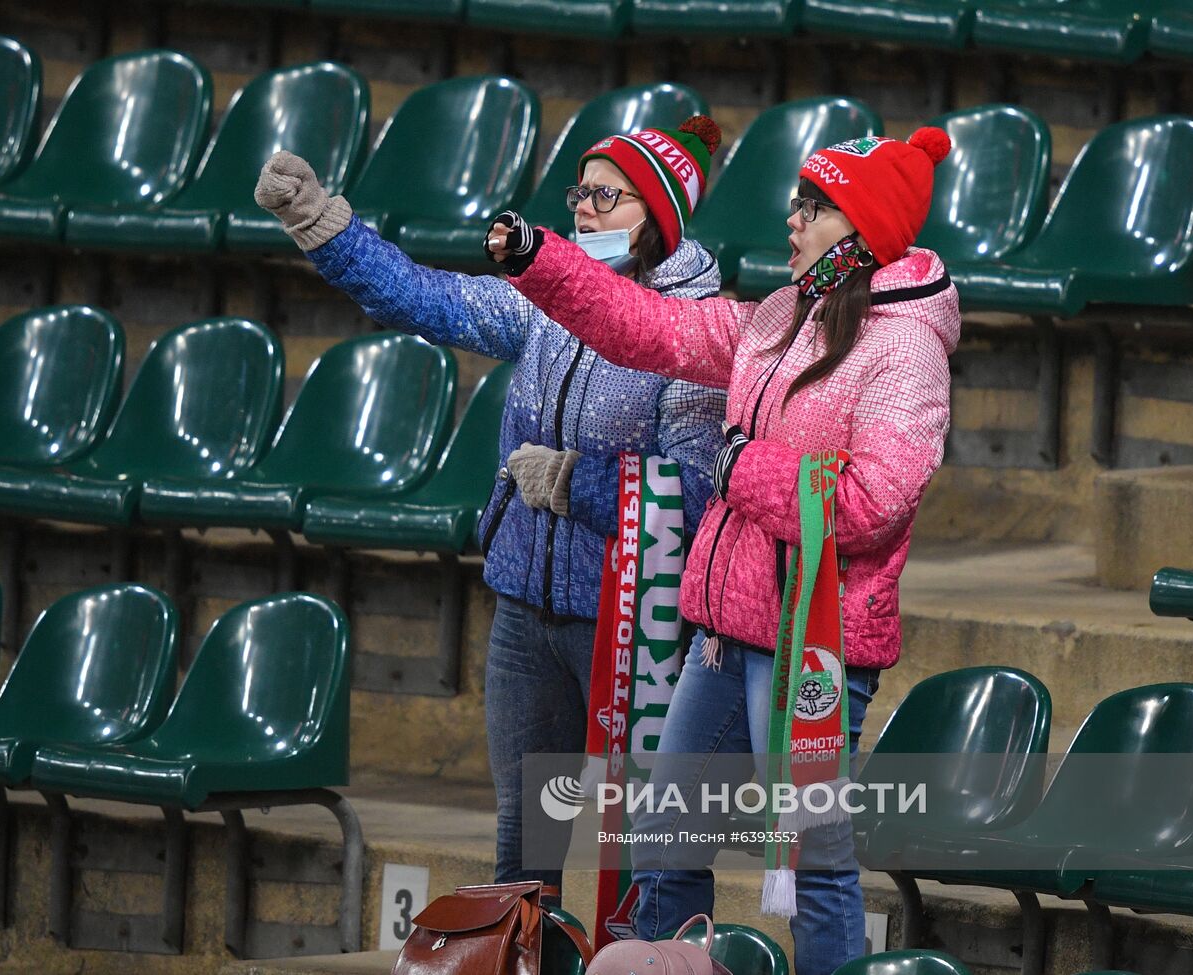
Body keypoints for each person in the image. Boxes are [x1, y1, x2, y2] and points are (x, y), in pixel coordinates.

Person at [484, 128, 960, 974]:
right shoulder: (782, 314)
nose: (793, 219)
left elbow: (873, 502)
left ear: (864, 229)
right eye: (796, 201)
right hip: (724, 626)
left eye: (814, 208)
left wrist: (741, 466)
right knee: (663, 840)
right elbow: (649, 327)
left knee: (814, 866)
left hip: (815, 643)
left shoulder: (905, 347)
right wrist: (540, 258)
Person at [252, 116, 729, 894]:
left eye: (605, 196)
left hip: (627, 623)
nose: (581, 209)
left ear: (658, 218)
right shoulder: (550, 295)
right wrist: (321, 225)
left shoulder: (695, 330)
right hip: (523, 613)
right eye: (579, 190)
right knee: (523, 844)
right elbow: (428, 299)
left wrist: (575, 482)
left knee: (647, 853)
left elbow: (696, 488)